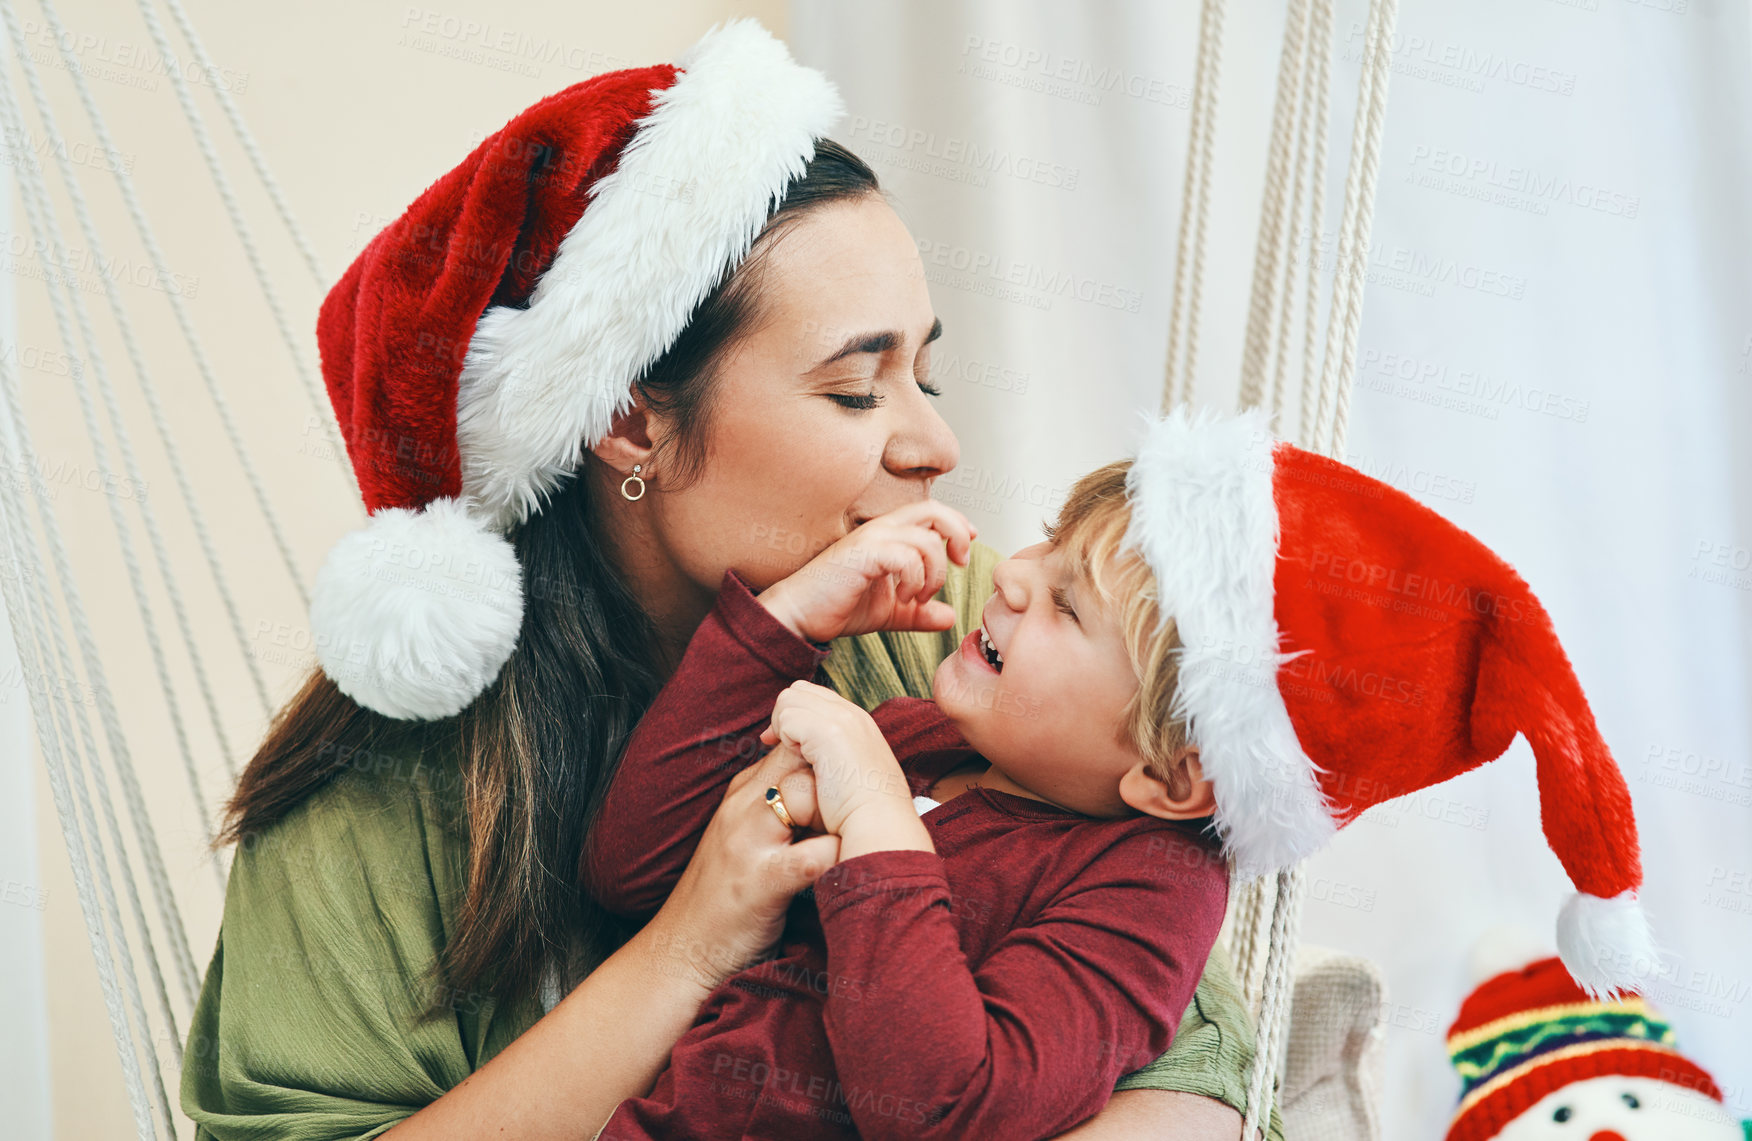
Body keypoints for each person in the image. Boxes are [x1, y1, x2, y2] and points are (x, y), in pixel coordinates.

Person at [181, 20, 1281, 1141]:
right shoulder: (375, 800)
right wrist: (693, 941)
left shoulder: (956, 620)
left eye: (927, 372)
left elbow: (1188, 1044)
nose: (937, 448)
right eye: (857, 391)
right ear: (628, 420)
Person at [583, 485, 1229, 1139]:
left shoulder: (1152, 886)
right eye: (1051, 539)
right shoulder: (917, 738)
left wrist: (875, 812)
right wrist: (784, 623)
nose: (1009, 571)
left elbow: (948, 1108)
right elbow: (630, 868)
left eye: (1067, 603)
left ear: (1168, 774)